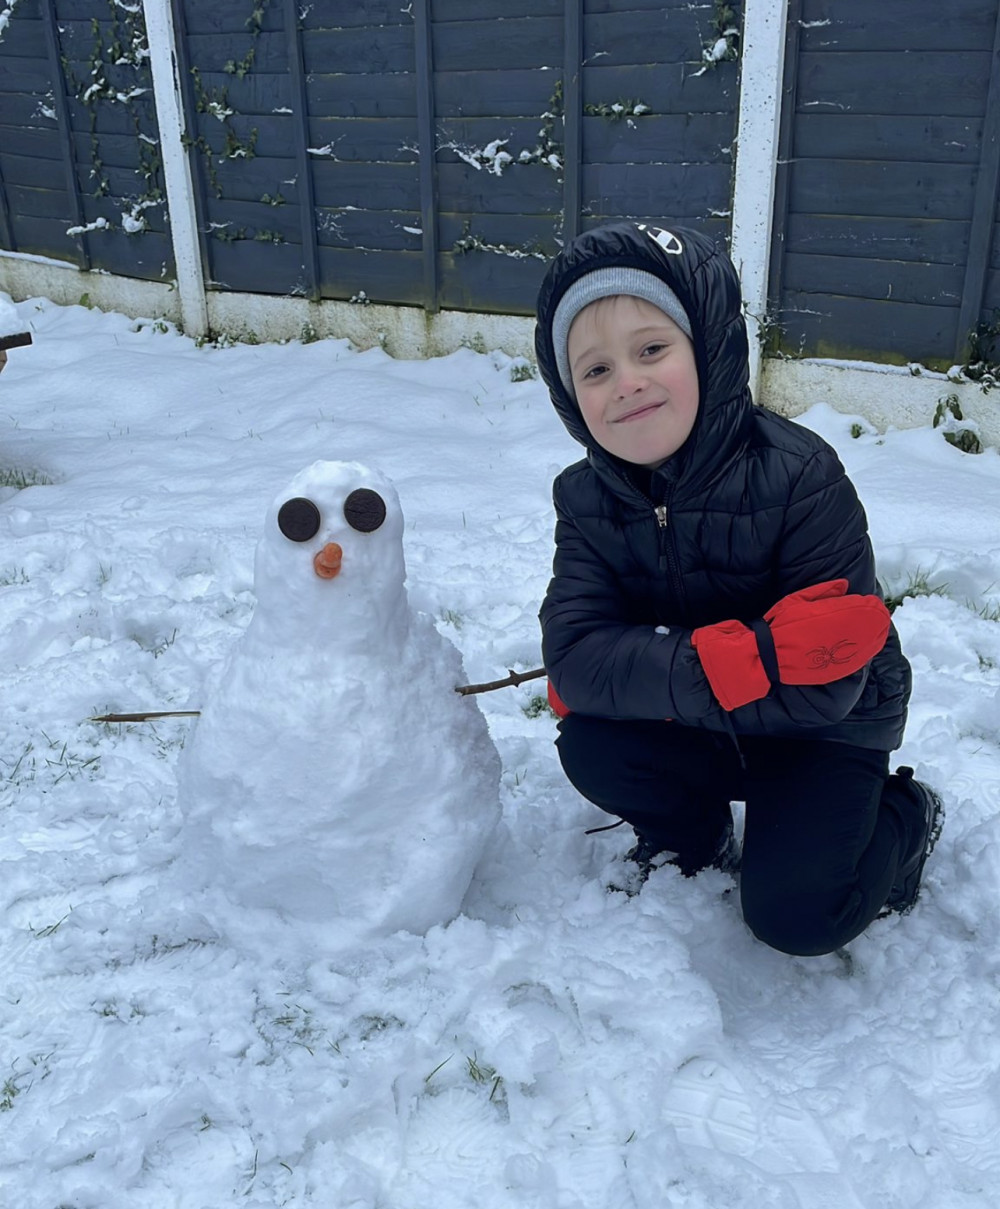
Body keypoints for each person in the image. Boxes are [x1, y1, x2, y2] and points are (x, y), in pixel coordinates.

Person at [534, 220, 942, 957]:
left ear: (707, 348)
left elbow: (827, 679)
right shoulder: (584, 499)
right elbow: (576, 658)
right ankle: (691, 837)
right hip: (708, 712)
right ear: (570, 396)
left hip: (823, 731)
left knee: (798, 916)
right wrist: (731, 659)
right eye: (594, 370)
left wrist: (656, 667)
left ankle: (907, 818)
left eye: (651, 349)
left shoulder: (798, 476)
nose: (627, 381)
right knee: (591, 742)